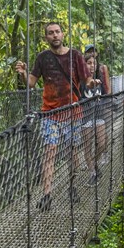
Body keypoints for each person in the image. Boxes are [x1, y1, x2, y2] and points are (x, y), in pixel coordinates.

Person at [16, 22, 100, 211]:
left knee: (72, 152)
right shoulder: (42, 58)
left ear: (63, 34)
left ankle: (71, 186)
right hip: (50, 113)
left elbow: (87, 81)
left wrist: (94, 83)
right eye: (50, 33)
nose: (54, 35)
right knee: (50, 152)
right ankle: (47, 195)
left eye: (57, 32)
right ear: (46, 38)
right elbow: (31, 83)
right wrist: (23, 74)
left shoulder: (76, 56)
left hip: (72, 113)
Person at [80, 50, 111, 186]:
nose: (92, 66)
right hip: (85, 116)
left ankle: (93, 162)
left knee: (102, 143)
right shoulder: (79, 80)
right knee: (87, 146)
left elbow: (105, 96)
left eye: (94, 63)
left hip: (98, 115)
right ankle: (92, 173)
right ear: (84, 65)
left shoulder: (99, 78)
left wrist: (117, 105)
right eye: (89, 63)